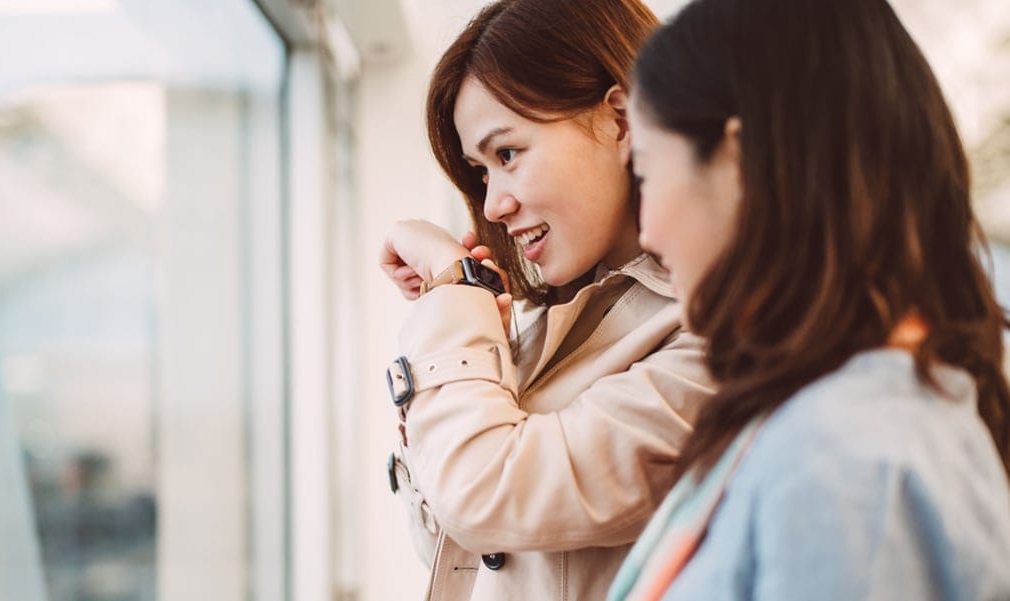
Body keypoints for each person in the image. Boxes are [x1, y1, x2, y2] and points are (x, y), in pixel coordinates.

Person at [609, 0, 1010, 598]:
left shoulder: (840, 457)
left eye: (646, 170)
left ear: (739, 162)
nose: (647, 230)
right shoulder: (856, 416)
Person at [377, 1, 715, 599]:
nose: (492, 206)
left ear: (620, 120)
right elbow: (463, 558)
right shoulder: (541, 324)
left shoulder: (716, 338)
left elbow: (485, 494)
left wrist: (456, 289)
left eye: (507, 154)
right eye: (482, 172)